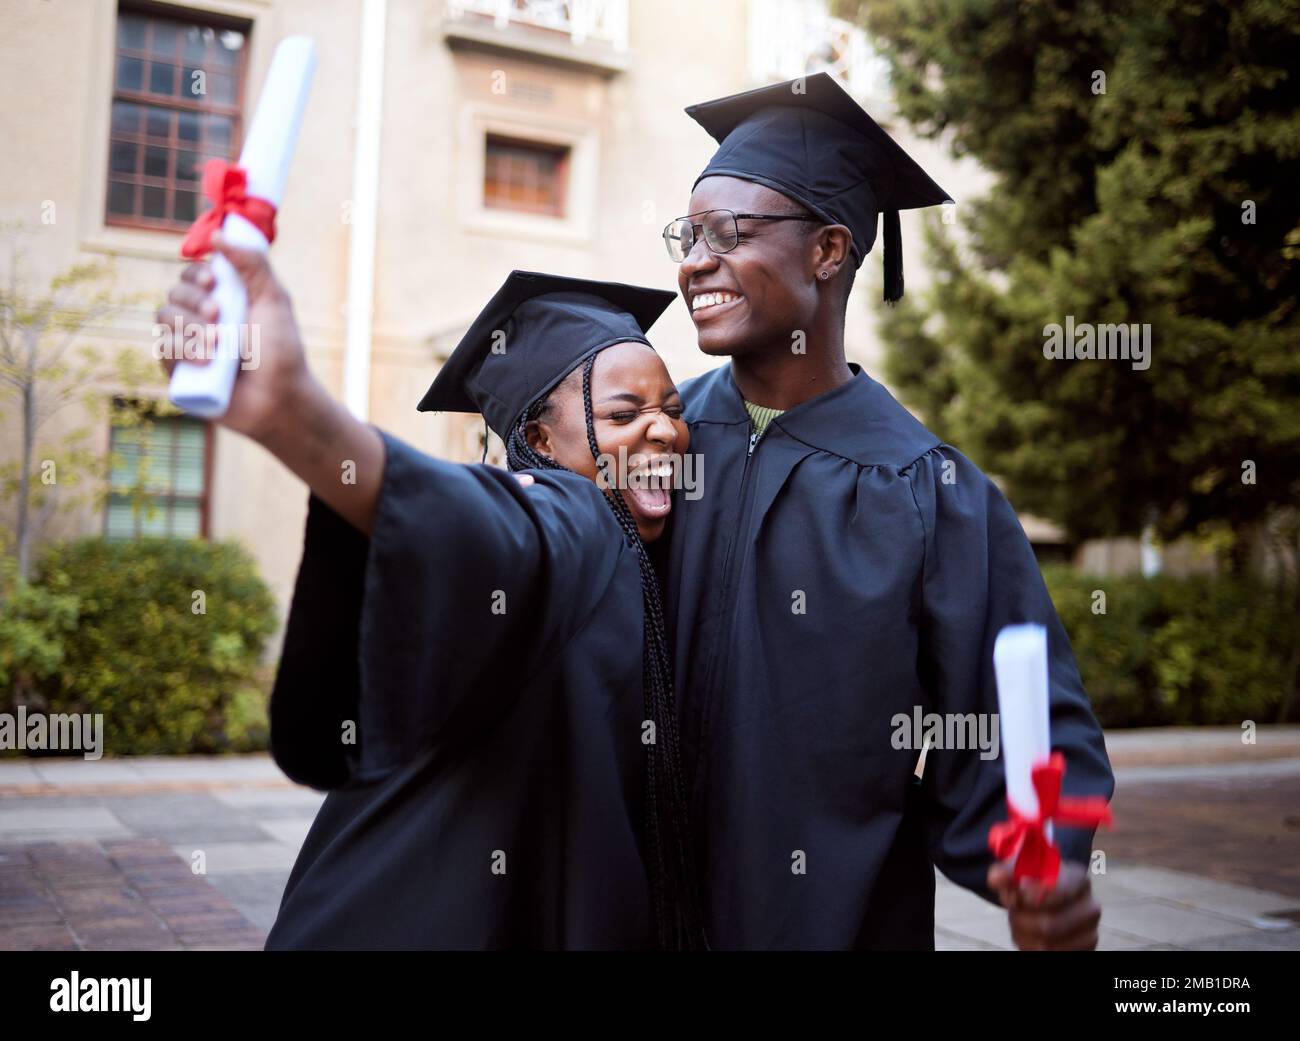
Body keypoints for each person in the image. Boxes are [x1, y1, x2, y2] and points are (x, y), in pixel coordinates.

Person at [656, 72, 1116, 950]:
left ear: (830, 250)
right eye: (688, 233)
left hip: (833, 923)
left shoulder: (928, 490)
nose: (693, 260)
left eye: (729, 233)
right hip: (633, 915)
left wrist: (1040, 857)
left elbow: (1023, 716)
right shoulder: (657, 446)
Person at [156, 257, 706, 949]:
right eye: (625, 413)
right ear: (538, 442)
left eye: (673, 410)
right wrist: (297, 416)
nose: (663, 431)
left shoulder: (633, 549)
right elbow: (485, 523)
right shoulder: (574, 516)